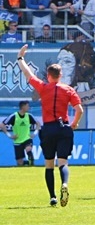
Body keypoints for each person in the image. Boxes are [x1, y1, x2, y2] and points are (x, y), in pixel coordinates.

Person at [14, 44, 83, 206]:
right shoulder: (68, 90)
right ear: (60, 75)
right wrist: (74, 124)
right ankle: (64, 184)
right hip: (64, 127)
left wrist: (20, 57)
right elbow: (79, 109)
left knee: (49, 164)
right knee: (63, 162)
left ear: (48, 75)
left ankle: (52, 197)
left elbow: (27, 73)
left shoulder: (43, 87)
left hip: (49, 128)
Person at [1, 100, 38, 166]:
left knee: (28, 149)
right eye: (27, 106)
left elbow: (38, 124)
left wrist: (35, 133)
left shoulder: (29, 115)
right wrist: (9, 135)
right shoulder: (14, 116)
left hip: (27, 138)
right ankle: (27, 164)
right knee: (19, 162)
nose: (29, 107)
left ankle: (32, 164)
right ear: (23, 107)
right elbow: (2, 124)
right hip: (17, 140)